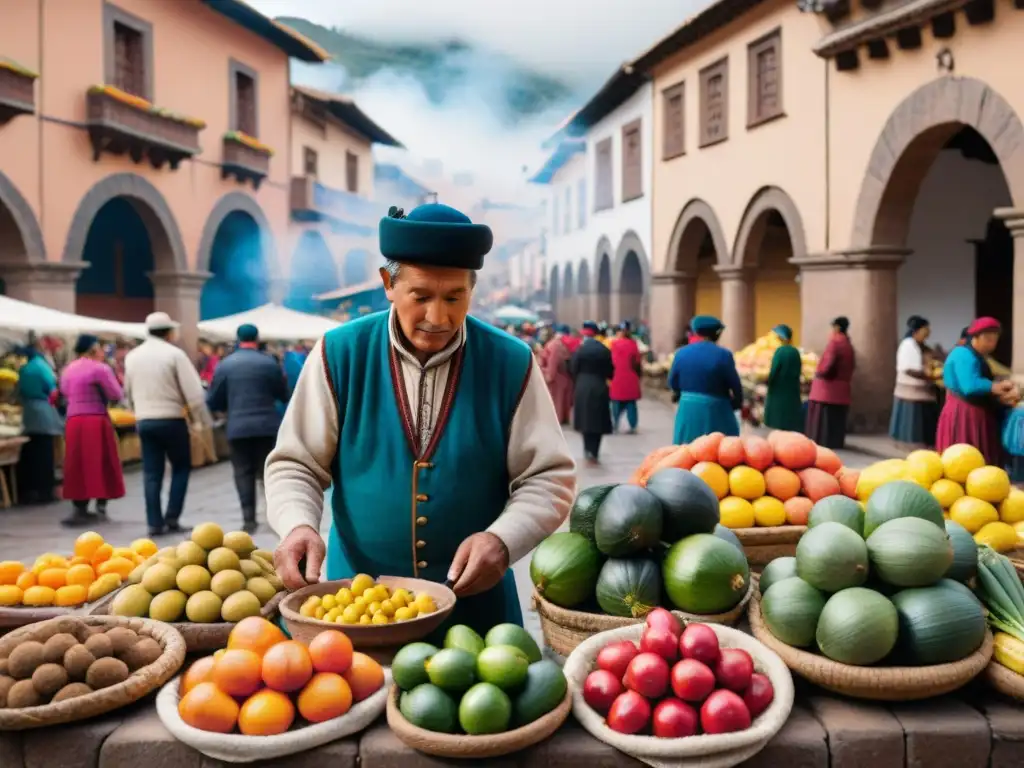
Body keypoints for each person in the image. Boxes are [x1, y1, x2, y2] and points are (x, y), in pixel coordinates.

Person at [265, 203, 575, 636]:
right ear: (388, 284)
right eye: (421, 296)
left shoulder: (510, 361)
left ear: (473, 289)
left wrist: (503, 540)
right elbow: (295, 462)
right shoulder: (339, 353)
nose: (438, 317)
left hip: (476, 612)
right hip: (354, 606)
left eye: (454, 298)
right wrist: (298, 523)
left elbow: (548, 477)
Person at [124, 312, 211, 536]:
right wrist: (200, 421)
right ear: (169, 332)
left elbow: (128, 392)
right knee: (181, 467)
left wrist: (138, 411)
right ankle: (172, 517)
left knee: (151, 473)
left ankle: (154, 522)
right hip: (171, 419)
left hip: (144, 420)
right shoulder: (175, 354)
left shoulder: (132, 356)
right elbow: (194, 394)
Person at [206, 324, 288, 533]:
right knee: (267, 472)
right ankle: (275, 516)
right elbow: (283, 394)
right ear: (257, 338)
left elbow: (213, 400)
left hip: (238, 427)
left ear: (237, 339)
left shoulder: (225, 365)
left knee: (242, 472)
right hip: (266, 426)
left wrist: (229, 406)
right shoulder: (269, 362)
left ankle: (248, 519)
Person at [58, 335, 125, 526]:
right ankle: (101, 503)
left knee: (76, 463)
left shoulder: (67, 369)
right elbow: (116, 394)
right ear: (94, 349)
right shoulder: (99, 368)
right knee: (100, 461)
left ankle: (79, 506)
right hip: (95, 419)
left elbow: (64, 391)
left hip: (73, 420)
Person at [936, 317, 1019, 465]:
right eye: (988, 340)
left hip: (977, 411)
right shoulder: (963, 354)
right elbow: (969, 385)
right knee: (964, 461)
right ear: (974, 337)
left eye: (995, 340)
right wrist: (996, 387)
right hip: (964, 413)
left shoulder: (978, 356)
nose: (992, 344)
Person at [667, 315, 742, 444]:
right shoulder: (724, 355)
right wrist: (736, 403)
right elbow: (735, 385)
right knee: (721, 448)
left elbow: (672, 381)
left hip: (688, 408)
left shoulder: (681, 353)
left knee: (685, 450)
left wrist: (680, 395)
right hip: (717, 409)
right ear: (717, 334)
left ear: (696, 332)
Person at [14, 343, 62, 504]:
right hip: (43, 413)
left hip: (28, 413)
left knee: (30, 453)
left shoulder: (24, 369)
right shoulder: (42, 367)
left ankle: (29, 490)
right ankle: (45, 491)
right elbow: (53, 389)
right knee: (45, 455)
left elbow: (18, 392)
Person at [806, 316, 856, 449]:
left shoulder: (835, 342)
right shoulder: (848, 344)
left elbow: (828, 365)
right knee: (837, 418)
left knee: (823, 420)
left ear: (837, 327)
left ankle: (822, 442)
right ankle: (835, 441)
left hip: (827, 389)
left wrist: (819, 373)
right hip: (842, 389)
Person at [889, 316, 939, 446]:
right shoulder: (908, 345)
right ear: (916, 331)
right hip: (911, 390)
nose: (928, 332)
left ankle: (924, 442)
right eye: (926, 329)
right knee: (912, 420)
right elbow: (908, 369)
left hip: (925, 389)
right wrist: (929, 376)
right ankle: (911, 444)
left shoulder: (922, 346)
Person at [570, 321, 614, 464]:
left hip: (582, 386)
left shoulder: (580, 350)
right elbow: (610, 372)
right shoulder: (604, 350)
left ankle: (587, 449)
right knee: (598, 420)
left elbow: (573, 368)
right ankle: (595, 450)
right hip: (599, 385)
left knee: (585, 419)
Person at [763, 324, 804, 432]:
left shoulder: (780, 352)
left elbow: (774, 371)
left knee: (778, 418)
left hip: (778, 390)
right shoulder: (796, 352)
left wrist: (768, 381)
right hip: (792, 390)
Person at [609, 321, 642, 434]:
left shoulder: (614, 344)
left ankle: (615, 423)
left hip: (617, 377)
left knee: (616, 403)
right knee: (631, 403)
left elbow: (611, 361)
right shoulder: (633, 344)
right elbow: (637, 361)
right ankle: (632, 425)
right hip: (631, 377)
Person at [541, 324, 574, 425]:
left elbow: (553, 362)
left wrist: (548, 376)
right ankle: (564, 419)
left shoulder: (554, 345)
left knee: (557, 403)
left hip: (556, 379)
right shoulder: (565, 344)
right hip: (565, 378)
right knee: (563, 402)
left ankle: (558, 421)